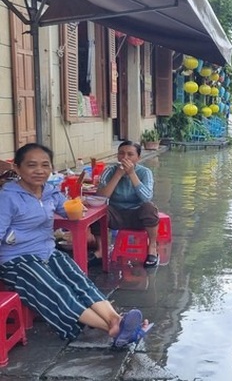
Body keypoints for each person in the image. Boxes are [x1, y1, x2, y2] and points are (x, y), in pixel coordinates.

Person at [0, 143, 150, 346]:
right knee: (56, 290)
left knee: (79, 279)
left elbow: (69, 210)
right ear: (17, 168)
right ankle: (113, 330)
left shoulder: (49, 192)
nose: (39, 171)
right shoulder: (7, 197)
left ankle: (116, 319)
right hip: (17, 259)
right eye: (31, 165)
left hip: (47, 251)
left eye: (45, 165)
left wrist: (77, 205)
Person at [93, 140, 160, 268]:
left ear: (138, 158)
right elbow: (101, 197)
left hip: (137, 214)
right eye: (121, 154)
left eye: (130, 154)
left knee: (149, 208)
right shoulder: (110, 171)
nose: (125, 158)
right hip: (115, 213)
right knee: (97, 212)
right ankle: (101, 249)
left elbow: (146, 198)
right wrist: (118, 175)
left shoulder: (145, 172)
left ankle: (152, 247)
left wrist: (131, 174)